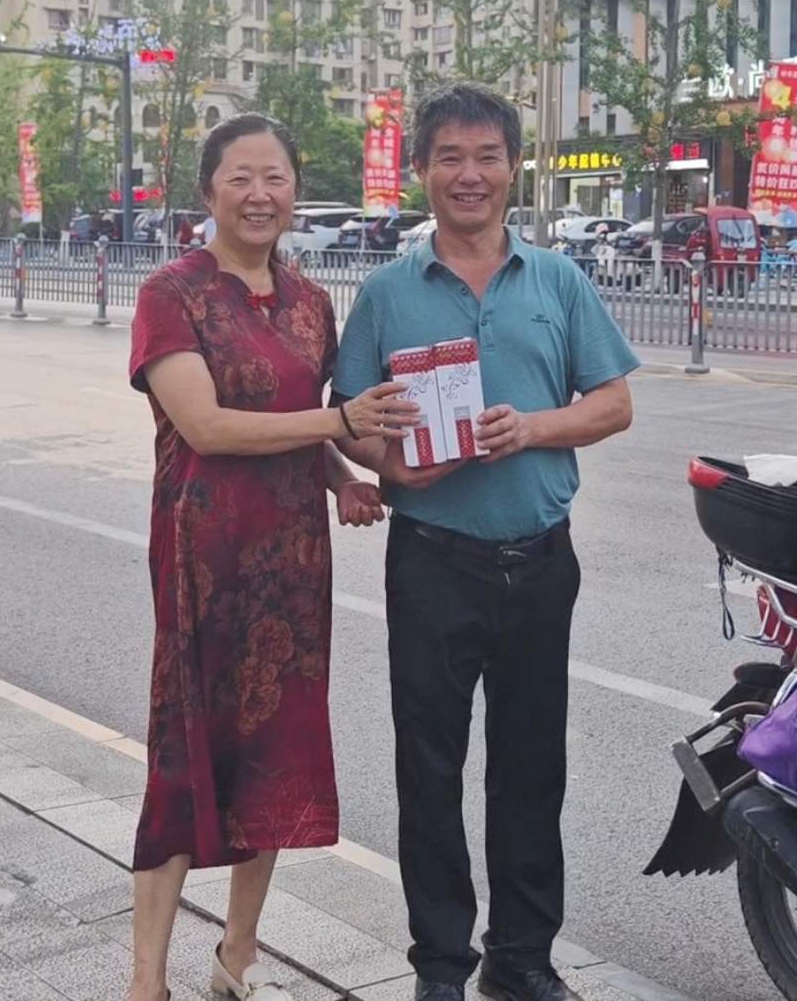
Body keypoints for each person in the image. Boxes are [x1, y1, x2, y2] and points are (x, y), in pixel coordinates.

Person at [333, 83, 639, 1001]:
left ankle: (522, 958)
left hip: (540, 559)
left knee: (532, 767)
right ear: (421, 170)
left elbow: (614, 404)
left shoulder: (558, 281)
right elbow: (347, 417)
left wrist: (533, 428)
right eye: (450, 158)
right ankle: (439, 966)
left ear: (513, 167)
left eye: (487, 157)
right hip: (433, 559)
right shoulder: (387, 293)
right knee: (428, 769)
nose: (470, 175)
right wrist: (391, 462)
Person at [125, 113, 420, 1001]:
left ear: (295, 189)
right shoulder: (171, 293)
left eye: (276, 178)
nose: (260, 195)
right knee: (183, 756)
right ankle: (146, 980)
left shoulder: (307, 301)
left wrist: (340, 477)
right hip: (204, 554)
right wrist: (341, 423)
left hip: (292, 558)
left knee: (273, 753)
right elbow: (208, 426)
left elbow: (297, 421)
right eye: (240, 178)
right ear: (208, 190)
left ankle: (238, 956)